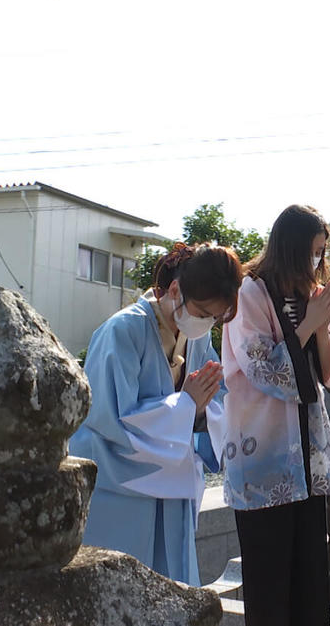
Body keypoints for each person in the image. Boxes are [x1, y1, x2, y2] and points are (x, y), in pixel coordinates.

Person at [69, 242, 243, 586]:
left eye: (215, 316)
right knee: (121, 590)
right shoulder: (122, 331)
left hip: (172, 487)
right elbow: (111, 420)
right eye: (204, 311)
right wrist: (186, 405)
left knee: (172, 588)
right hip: (120, 489)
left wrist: (201, 411)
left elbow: (216, 402)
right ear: (175, 290)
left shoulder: (196, 336)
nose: (207, 322)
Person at [221, 204, 330, 626]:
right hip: (263, 459)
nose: (318, 260)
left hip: (308, 460)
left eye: (323, 252)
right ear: (292, 248)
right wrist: (309, 322)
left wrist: (318, 324)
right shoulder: (249, 292)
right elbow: (265, 372)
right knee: (269, 582)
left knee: (311, 577)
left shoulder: (310, 294)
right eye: (313, 251)